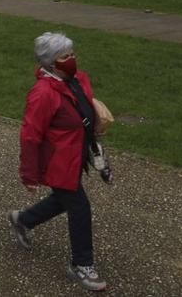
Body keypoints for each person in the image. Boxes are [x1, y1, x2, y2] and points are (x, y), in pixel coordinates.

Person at [8, 31, 108, 292]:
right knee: (80, 207)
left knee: (65, 200)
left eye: (72, 54)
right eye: (65, 56)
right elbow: (30, 136)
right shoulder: (43, 93)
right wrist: (28, 175)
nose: (72, 59)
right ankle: (81, 265)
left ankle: (24, 219)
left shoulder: (76, 80)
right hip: (59, 162)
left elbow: (83, 112)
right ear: (51, 62)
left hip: (76, 156)